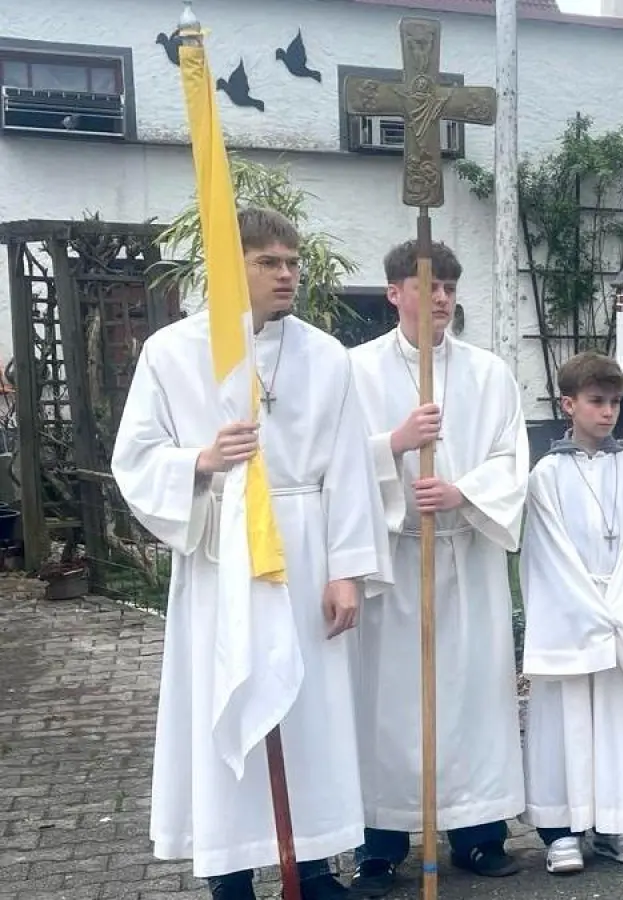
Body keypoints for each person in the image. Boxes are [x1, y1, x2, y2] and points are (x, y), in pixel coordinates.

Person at [111, 208, 390, 900]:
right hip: (222, 554)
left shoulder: (326, 355)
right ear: (229, 267)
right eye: (269, 262)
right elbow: (135, 457)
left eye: (292, 262)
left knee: (311, 708)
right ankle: (230, 870)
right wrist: (200, 461)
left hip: (306, 547)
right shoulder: (172, 352)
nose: (287, 274)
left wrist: (347, 571)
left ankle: (314, 864)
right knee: (226, 697)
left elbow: (349, 469)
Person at [345, 241, 529, 895]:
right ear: (394, 293)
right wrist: (393, 446)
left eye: (449, 286)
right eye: (428, 286)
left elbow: (511, 457)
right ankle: (379, 846)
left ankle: (478, 834)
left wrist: (461, 493)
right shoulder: (356, 371)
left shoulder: (489, 373)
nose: (442, 298)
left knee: (472, 699)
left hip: (465, 553)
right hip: (393, 560)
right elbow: (333, 461)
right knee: (388, 706)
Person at [519, 352, 623, 873]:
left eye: (614, 403)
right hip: (571, 614)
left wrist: (619, 612)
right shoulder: (546, 476)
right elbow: (548, 555)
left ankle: (615, 824)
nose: (608, 412)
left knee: (617, 721)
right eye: (596, 401)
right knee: (566, 724)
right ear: (568, 405)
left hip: (621, 615)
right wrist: (590, 610)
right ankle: (562, 831)